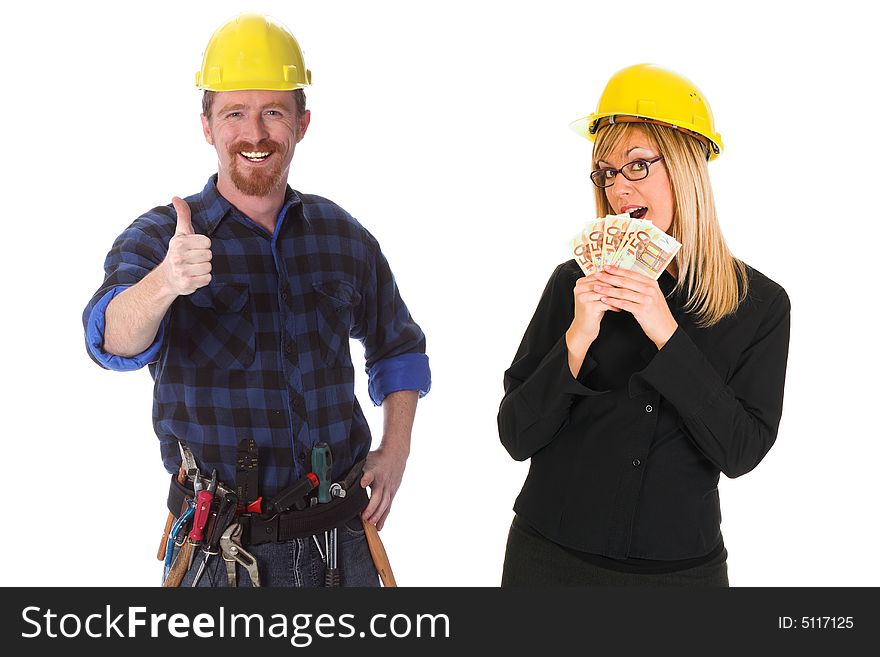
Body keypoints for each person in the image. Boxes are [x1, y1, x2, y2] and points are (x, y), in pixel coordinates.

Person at [82, 13, 430, 587]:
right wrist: (167, 282)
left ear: (302, 123)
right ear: (207, 127)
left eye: (274, 111)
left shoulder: (340, 236)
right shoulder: (161, 237)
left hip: (340, 541)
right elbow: (109, 340)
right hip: (218, 552)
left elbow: (400, 347)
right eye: (234, 114)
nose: (255, 133)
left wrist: (396, 452)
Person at [497, 64, 790, 586]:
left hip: (679, 576)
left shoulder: (760, 305)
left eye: (637, 165)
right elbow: (516, 435)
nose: (617, 187)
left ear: (685, 168)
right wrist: (575, 340)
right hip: (549, 561)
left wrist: (667, 335)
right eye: (606, 171)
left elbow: (741, 452)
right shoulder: (575, 281)